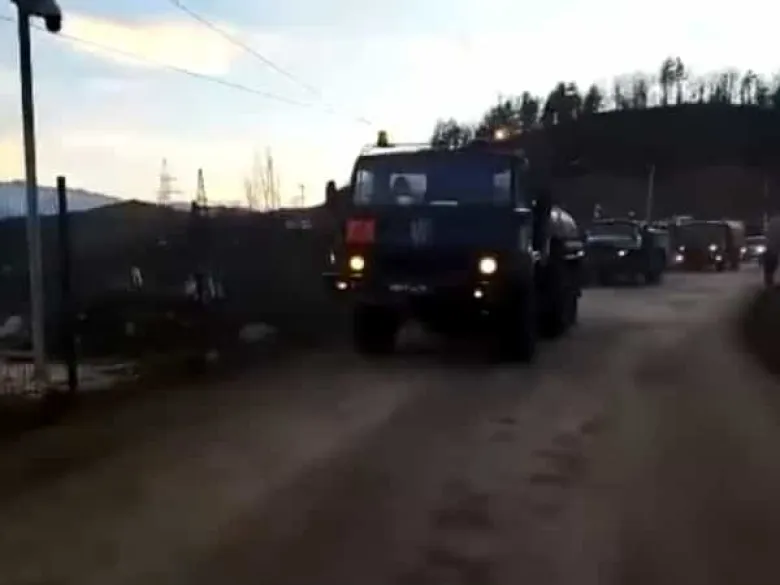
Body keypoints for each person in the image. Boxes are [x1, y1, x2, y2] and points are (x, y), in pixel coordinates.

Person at [763, 214, 780, 286]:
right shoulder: (775, 221)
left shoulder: (773, 221)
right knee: (770, 261)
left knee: (770, 263)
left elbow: (768, 235)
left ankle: (769, 283)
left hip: (772, 248)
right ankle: (769, 282)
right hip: (772, 248)